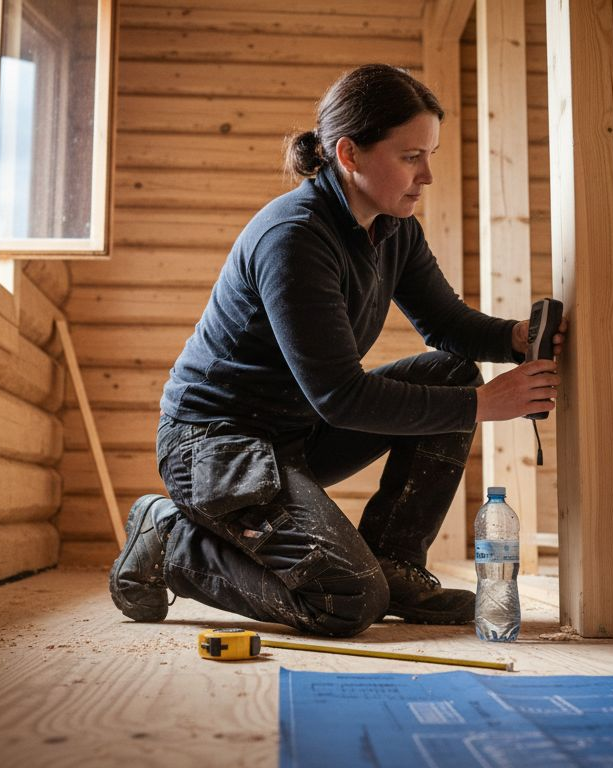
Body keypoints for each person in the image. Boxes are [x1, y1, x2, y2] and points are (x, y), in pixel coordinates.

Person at [109, 64, 564, 638]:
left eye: (431, 154)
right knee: (347, 601)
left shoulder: (394, 228)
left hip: (292, 438)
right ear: (349, 154)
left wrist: (516, 338)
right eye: (410, 156)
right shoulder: (294, 237)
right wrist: (482, 406)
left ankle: (395, 563)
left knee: (451, 372)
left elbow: (446, 325)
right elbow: (340, 397)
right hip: (213, 448)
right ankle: (170, 538)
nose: (427, 175)